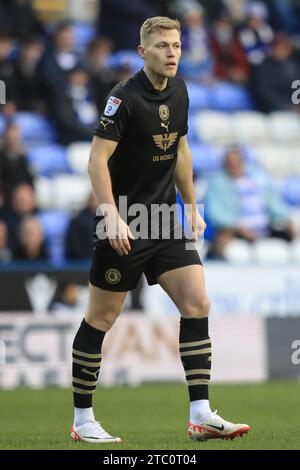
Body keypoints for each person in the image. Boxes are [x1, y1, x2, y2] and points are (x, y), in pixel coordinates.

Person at [70, 16, 250, 444]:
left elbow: (181, 148)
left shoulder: (182, 90)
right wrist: (110, 213)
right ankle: (82, 420)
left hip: (165, 220)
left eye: (177, 45)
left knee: (197, 301)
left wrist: (191, 206)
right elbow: (96, 161)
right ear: (142, 52)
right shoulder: (123, 98)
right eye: (163, 46)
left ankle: (202, 414)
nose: (172, 53)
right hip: (126, 220)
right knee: (101, 317)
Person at [205, 147, 295, 259]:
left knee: (292, 231)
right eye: (230, 162)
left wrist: (285, 218)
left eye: (237, 162)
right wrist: (238, 226)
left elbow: (273, 202)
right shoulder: (217, 182)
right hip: (234, 229)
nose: (234, 165)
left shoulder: (257, 178)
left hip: (263, 227)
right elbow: (215, 212)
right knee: (223, 238)